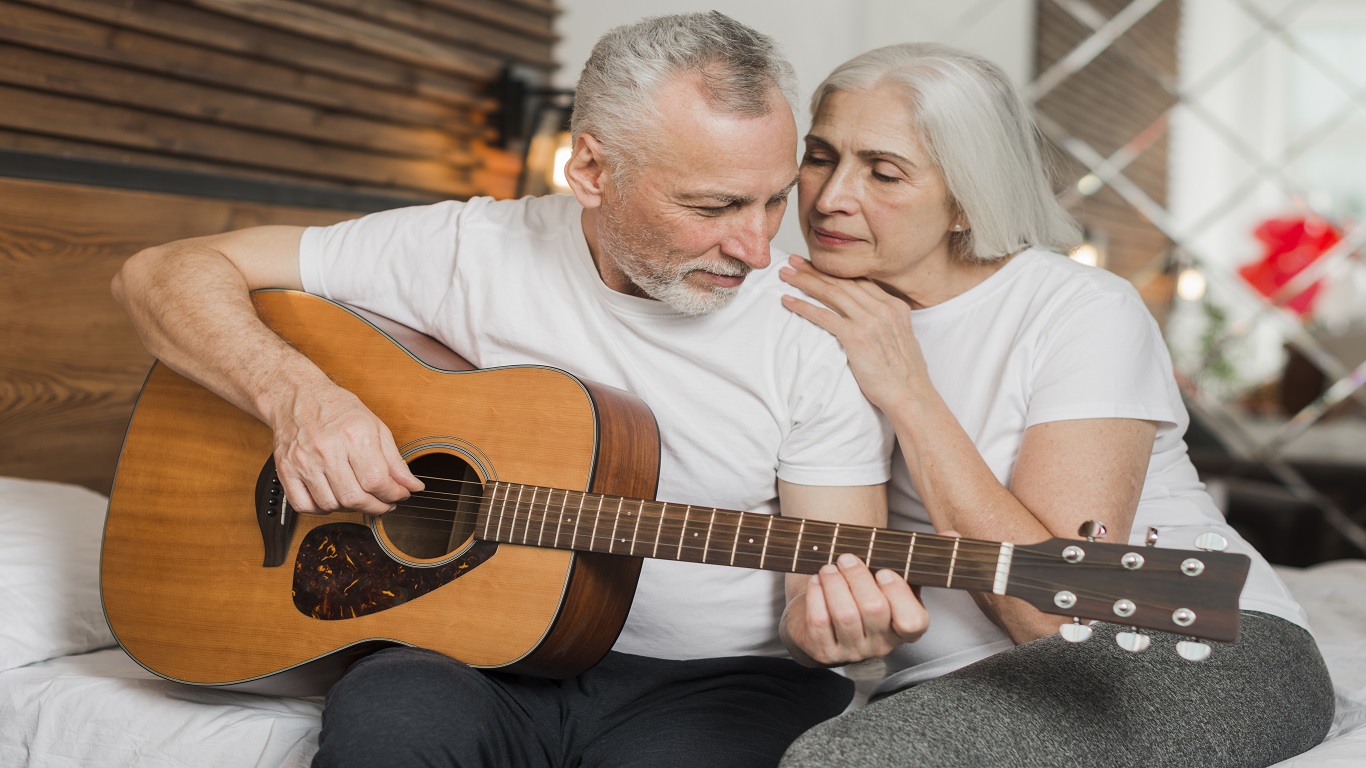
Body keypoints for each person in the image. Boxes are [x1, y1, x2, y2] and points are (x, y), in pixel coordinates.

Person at [110, 13, 921, 768]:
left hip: (716, 684)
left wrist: (835, 630)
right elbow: (161, 273)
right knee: (386, 736)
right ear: (592, 170)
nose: (755, 244)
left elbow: (834, 570)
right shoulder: (468, 248)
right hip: (465, 658)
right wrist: (299, 400)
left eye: (776, 197)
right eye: (713, 205)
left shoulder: (815, 327)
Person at [774, 43, 1335, 767]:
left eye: (883, 171)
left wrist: (909, 393)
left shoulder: (1080, 310)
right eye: (819, 156)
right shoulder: (798, 309)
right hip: (955, 684)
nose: (829, 197)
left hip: (1192, 643)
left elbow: (1053, 614)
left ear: (967, 198)